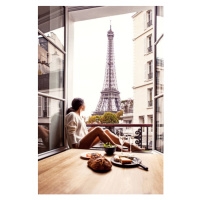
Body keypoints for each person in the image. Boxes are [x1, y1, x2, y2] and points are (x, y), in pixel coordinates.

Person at [65, 98, 143, 152]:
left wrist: (91, 130)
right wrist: (74, 148)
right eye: (84, 103)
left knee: (105, 131)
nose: (85, 105)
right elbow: (71, 132)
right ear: (81, 106)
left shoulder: (80, 117)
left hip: (83, 143)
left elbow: (81, 133)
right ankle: (119, 149)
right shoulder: (72, 115)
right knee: (98, 129)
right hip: (77, 146)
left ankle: (130, 146)